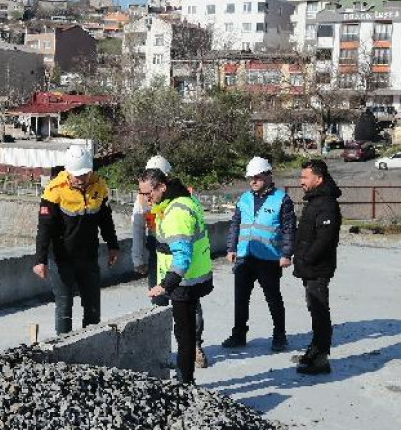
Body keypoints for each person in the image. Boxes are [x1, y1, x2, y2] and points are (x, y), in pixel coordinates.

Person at [33, 145, 120, 335]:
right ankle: (64, 353)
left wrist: (113, 245)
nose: (81, 179)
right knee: (64, 308)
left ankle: (91, 346)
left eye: (85, 174)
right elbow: (44, 228)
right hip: (62, 260)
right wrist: (40, 260)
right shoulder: (54, 191)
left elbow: (105, 220)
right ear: (68, 172)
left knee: (93, 309)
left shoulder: (99, 186)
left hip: (88, 259)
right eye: (77, 175)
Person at [131, 155, 209, 368]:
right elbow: (137, 227)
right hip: (158, 253)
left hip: (180, 258)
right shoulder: (143, 198)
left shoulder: (182, 200)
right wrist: (138, 258)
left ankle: (194, 348)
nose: (147, 196)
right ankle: (164, 349)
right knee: (160, 303)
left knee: (188, 307)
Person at [222, 157, 296, 352]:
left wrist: (287, 253)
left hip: (269, 258)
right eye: (250, 178)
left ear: (268, 176)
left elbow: (289, 229)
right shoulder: (244, 199)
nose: (253, 181)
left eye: (257, 177)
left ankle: (280, 335)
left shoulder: (282, 199)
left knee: (273, 298)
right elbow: (235, 225)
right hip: (245, 256)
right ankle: (239, 334)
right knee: (241, 298)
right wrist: (231, 248)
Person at [292, 159, 341, 375]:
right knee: (314, 309)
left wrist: (307, 258)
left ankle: (321, 358)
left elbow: (325, 239)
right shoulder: (315, 200)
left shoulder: (327, 203)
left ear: (318, 179)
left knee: (320, 311)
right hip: (310, 267)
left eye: (305, 177)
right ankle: (314, 350)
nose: (301, 181)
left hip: (317, 268)